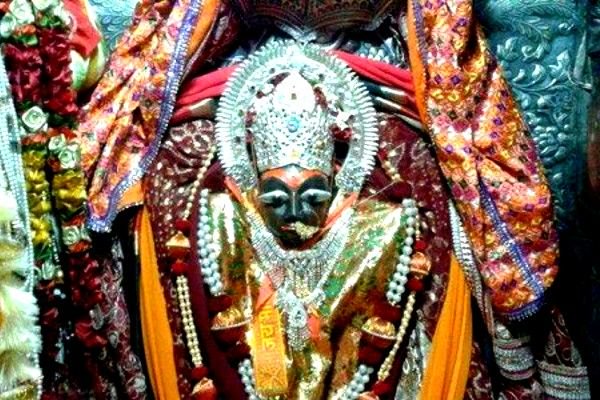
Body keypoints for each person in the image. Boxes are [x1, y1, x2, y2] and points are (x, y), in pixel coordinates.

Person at [77, 1, 593, 398]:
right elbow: (184, 26)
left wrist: (430, 107)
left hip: (379, 72)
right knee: (177, 173)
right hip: (243, 69)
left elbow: (441, 27)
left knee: (415, 178)